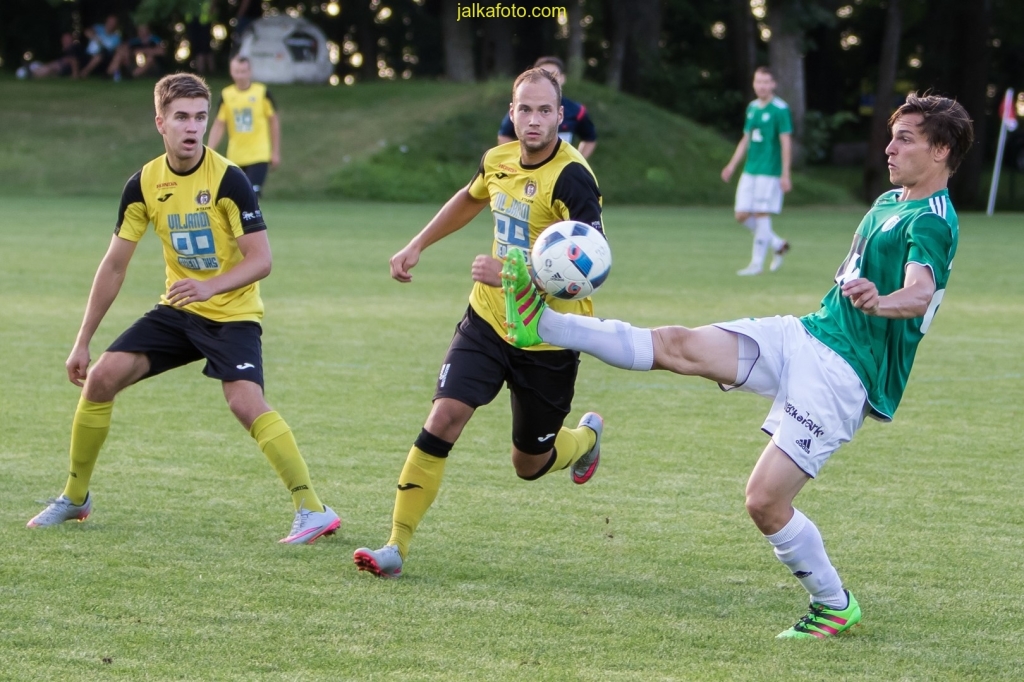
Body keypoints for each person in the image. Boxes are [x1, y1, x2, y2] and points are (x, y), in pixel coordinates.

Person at [501, 93, 973, 638]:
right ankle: (545, 326)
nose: (888, 147)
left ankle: (834, 603)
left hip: (847, 374)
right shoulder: (890, 200)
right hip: (809, 333)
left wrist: (880, 301)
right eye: (892, 136)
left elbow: (919, 293)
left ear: (940, 150)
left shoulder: (933, 220)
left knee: (765, 502)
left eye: (905, 139)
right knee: (680, 346)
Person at [27, 73, 340, 545]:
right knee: (101, 377)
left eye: (199, 117)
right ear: (161, 122)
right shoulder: (144, 184)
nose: (192, 128)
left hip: (232, 312)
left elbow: (262, 260)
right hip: (177, 310)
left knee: (244, 402)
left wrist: (210, 287)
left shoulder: (230, 179)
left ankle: (313, 509)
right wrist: (82, 340)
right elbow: (114, 266)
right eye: (181, 118)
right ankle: (75, 497)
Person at [352, 67, 606, 579]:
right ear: (511, 113)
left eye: (543, 111)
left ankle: (584, 441)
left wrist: (513, 271)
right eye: (524, 110)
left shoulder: (574, 177)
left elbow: (592, 267)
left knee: (528, 465)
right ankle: (394, 546)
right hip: (487, 322)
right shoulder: (498, 159)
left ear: (561, 116)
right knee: (444, 416)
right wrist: (416, 244)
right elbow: (470, 199)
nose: (533, 120)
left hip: (548, 338)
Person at [721, 66, 792, 276]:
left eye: (765, 82)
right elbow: (746, 138)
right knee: (741, 214)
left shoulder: (780, 109)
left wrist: (785, 173)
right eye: (758, 81)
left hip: (769, 171)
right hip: (750, 169)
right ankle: (778, 244)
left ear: (773, 84)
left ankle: (756, 264)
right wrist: (732, 165)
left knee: (761, 214)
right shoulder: (752, 107)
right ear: (754, 83)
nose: (761, 86)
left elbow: (785, 141)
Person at [207, 56, 280, 199]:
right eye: (237, 71)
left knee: (253, 194)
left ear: (250, 72)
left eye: (243, 71)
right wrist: (209, 151)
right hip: (236, 156)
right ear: (231, 72)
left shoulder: (261, 92)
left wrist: (275, 151)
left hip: (259, 154)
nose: (240, 75)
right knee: (235, 197)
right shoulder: (227, 94)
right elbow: (219, 124)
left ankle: (254, 222)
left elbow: (274, 121)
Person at [497, 56, 597, 159]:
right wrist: (516, 160)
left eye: (553, 75)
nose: (534, 121)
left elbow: (589, 138)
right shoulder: (521, 109)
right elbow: (504, 134)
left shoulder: (577, 110)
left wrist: (577, 161)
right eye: (543, 74)